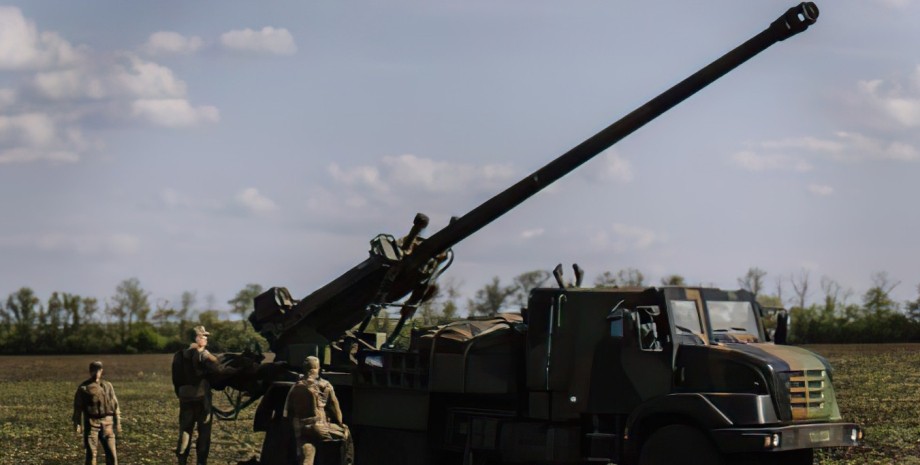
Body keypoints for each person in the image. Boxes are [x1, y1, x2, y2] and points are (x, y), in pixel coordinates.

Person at [174, 325, 236, 465]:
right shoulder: (203, 353)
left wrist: (180, 393)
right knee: (204, 433)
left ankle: (181, 460)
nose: (206, 339)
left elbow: (175, 378)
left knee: (185, 430)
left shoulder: (179, 355)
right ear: (196, 338)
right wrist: (236, 370)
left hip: (185, 397)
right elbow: (219, 369)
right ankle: (201, 462)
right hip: (202, 399)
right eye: (203, 336)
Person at [285, 355, 353, 465]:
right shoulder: (325, 385)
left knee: (307, 455)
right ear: (318, 368)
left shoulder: (295, 386)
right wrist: (340, 423)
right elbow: (335, 408)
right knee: (346, 433)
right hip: (320, 427)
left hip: (301, 427)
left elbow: (288, 411)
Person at [72, 360, 121, 465]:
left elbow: (115, 405)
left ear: (101, 371)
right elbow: (78, 407)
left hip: (108, 424)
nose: (96, 373)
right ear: (90, 371)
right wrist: (77, 423)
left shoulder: (108, 386)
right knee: (91, 455)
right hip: (92, 424)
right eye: (94, 370)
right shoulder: (84, 388)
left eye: (98, 370)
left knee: (112, 456)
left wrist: (118, 422)